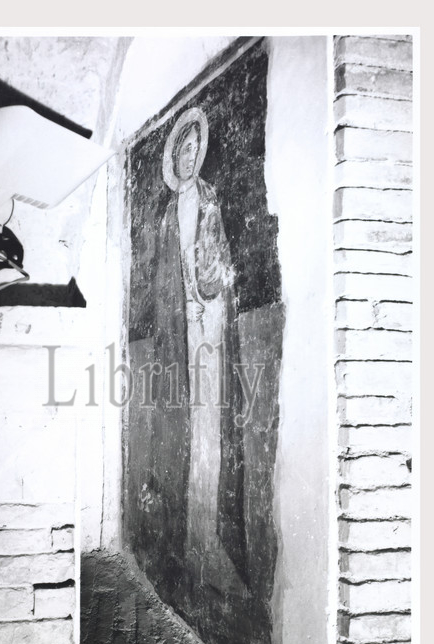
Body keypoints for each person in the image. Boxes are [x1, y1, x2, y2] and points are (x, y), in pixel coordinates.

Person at [149, 107, 246, 590]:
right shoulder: (168, 215)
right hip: (181, 326)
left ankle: (208, 541)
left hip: (209, 321)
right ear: (173, 158)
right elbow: (163, 279)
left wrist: (211, 301)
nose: (189, 157)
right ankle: (188, 541)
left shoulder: (210, 200)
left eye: (194, 149)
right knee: (184, 427)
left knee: (208, 423)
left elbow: (219, 263)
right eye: (182, 151)